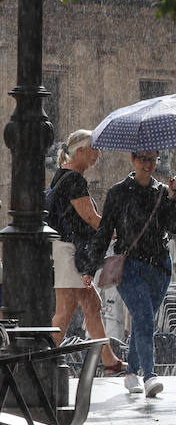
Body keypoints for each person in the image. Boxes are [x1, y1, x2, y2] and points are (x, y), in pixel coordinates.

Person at [89, 151, 176, 398]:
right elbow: (104, 231)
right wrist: (90, 267)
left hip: (160, 267)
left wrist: (174, 198)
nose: (147, 164)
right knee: (143, 316)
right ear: (132, 160)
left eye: (152, 159)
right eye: (142, 159)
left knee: (144, 321)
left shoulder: (163, 192)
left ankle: (131, 371)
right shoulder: (118, 192)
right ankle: (149, 375)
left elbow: (174, 227)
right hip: (129, 266)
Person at [46, 129, 122, 372]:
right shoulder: (75, 179)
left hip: (66, 251)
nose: (98, 155)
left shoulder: (59, 176)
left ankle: (110, 362)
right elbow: (90, 217)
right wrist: (116, 230)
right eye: (94, 149)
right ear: (80, 150)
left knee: (92, 306)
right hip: (70, 252)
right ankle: (41, 364)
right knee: (64, 315)